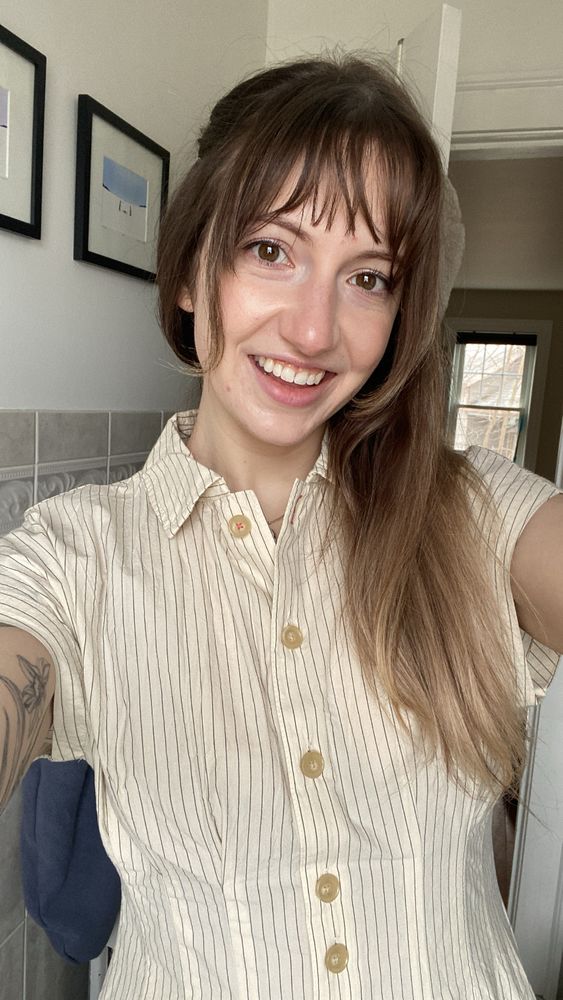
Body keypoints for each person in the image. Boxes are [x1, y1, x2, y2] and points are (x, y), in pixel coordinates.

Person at [0, 53, 562, 1000]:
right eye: (271, 250)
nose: (312, 331)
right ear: (188, 275)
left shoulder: (471, 516)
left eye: (368, 276)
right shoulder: (75, 554)